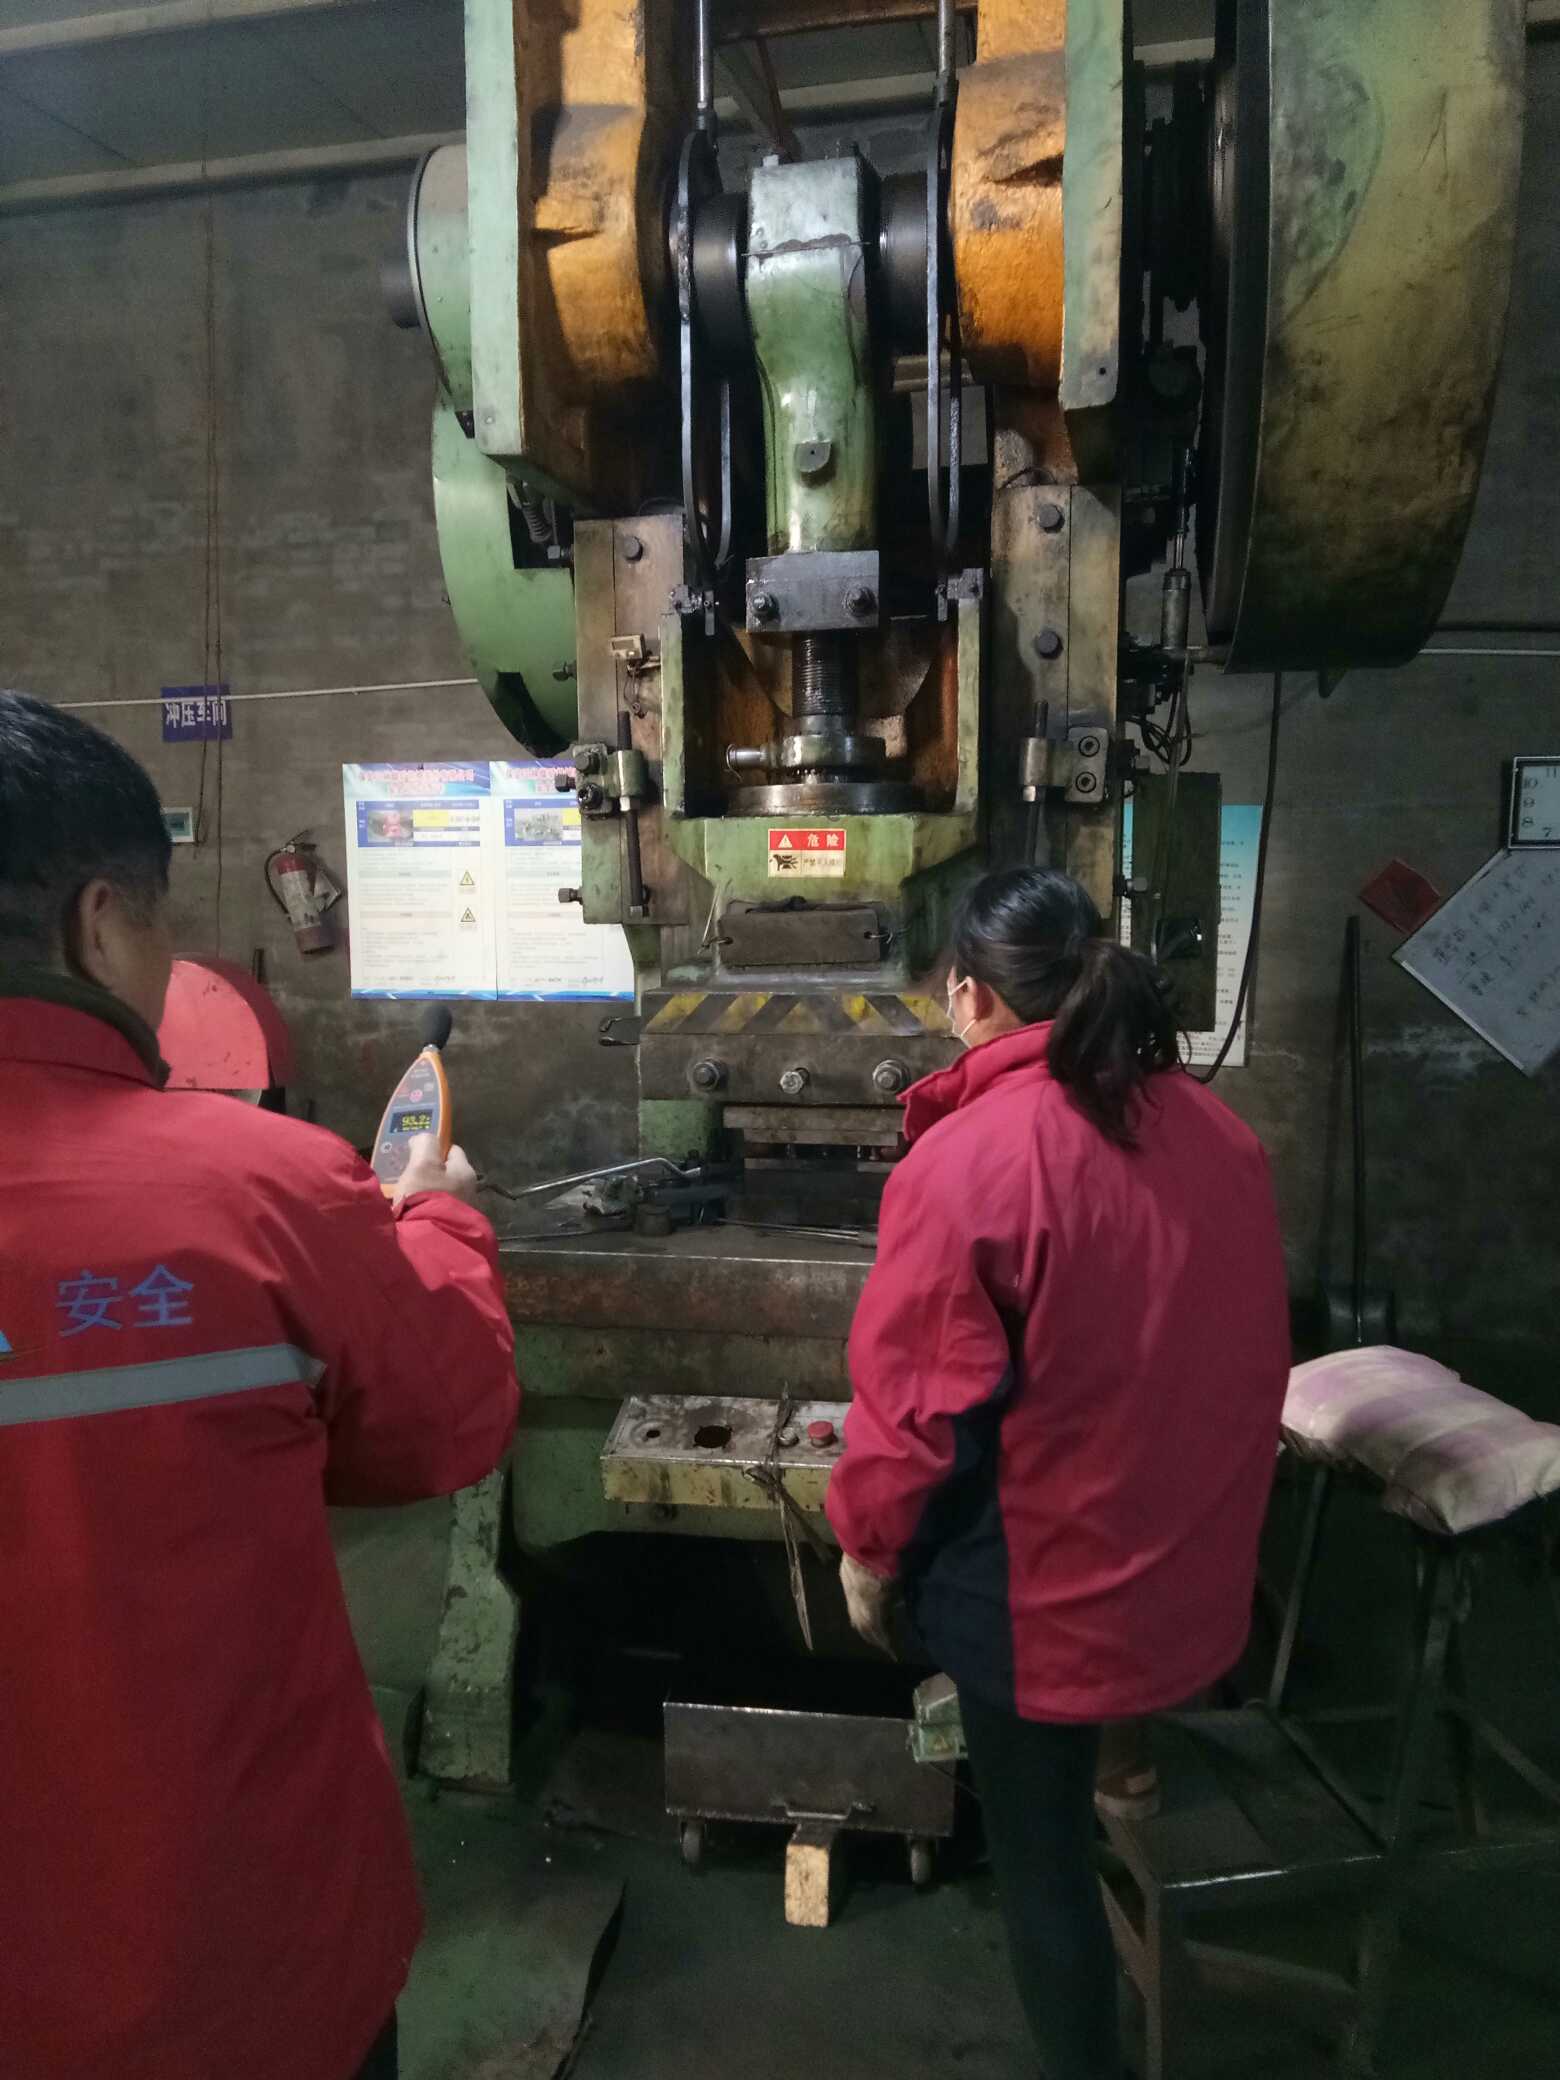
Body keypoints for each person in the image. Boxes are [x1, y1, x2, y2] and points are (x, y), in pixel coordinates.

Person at [0, 693, 518, 2080]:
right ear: (98, 925)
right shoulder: (264, 1189)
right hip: (232, 1969)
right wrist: (439, 1220)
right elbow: (438, 1427)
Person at [827, 867, 1290, 2080]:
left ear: (969, 994)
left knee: (1042, 1873)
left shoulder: (968, 1159)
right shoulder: (1219, 1130)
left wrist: (865, 1547)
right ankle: (1125, 1783)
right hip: (1192, 1581)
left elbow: (915, 1413)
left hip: (1050, 1615)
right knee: (1087, 1788)